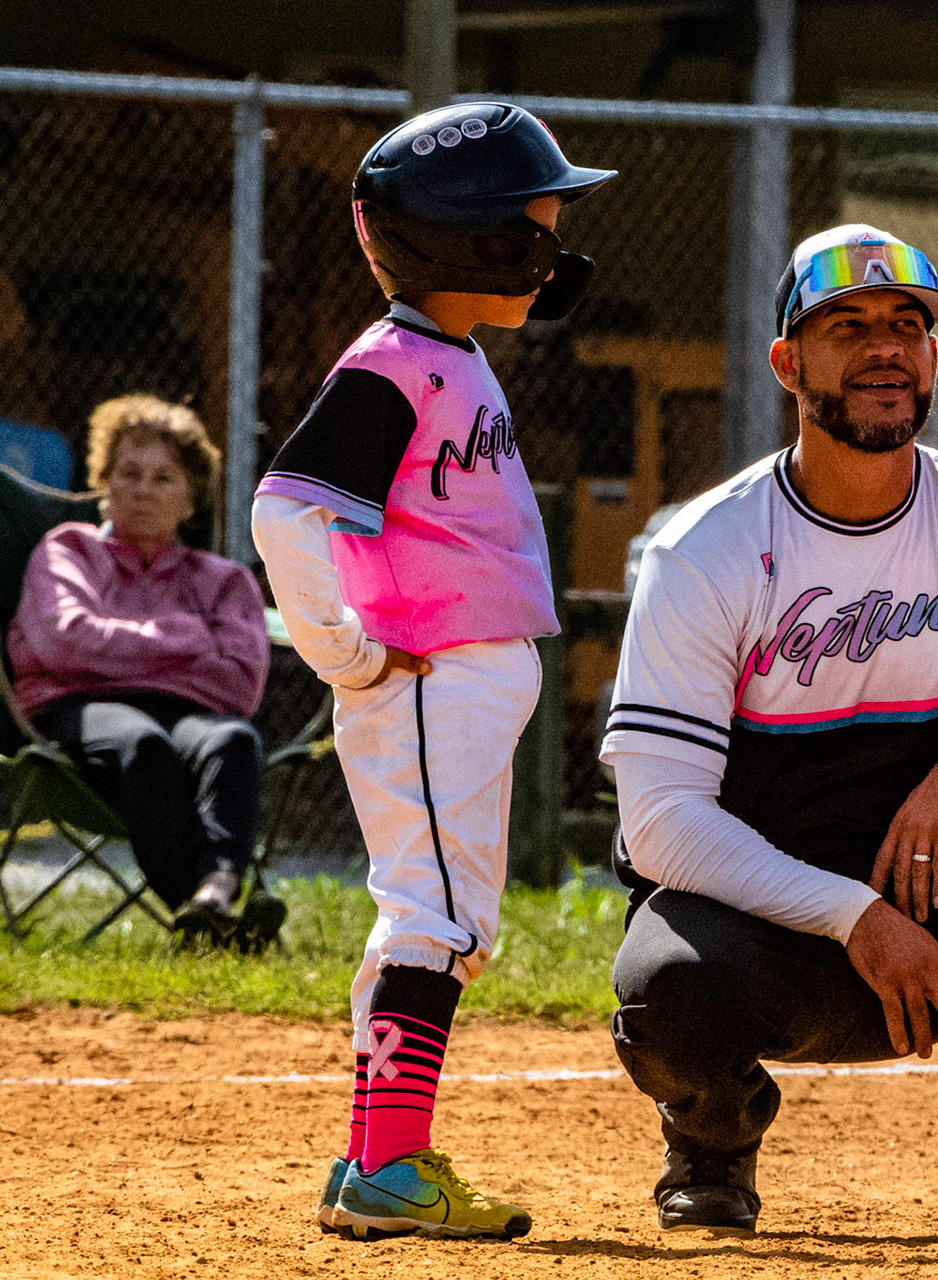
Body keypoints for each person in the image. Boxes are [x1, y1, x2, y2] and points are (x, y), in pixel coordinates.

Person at [602, 224, 938, 1240]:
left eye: (908, 325)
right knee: (666, 992)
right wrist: (854, 914)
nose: (886, 347)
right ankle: (713, 1144)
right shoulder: (707, 550)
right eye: (847, 327)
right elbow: (662, 821)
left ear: (936, 355)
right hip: (779, 935)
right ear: (788, 362)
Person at [252, 102, 615, 1241]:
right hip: (424, 678)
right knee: (440, 915)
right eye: (538, 224)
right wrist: (349, 651)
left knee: (437, 913)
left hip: (459, 677)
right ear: (475, 242)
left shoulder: (448, 356)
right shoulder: (394, 365)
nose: (555, 248)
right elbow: (284, 511)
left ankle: (374, 1153)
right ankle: (391, 1165)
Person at [8, 394, 268, 936]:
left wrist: (116, 652)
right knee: (144, 743)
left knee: (232, 740)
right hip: (75, 714)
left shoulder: (223, 581)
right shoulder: (68, 551)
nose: (143, 489)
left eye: (163, 477)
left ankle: (217, 888)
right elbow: (63, 643)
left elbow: (240, 684)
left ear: (190, 498)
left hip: (189, 716)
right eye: (128, 473)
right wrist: (185, 639)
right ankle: (208, 919)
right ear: (103, 484)